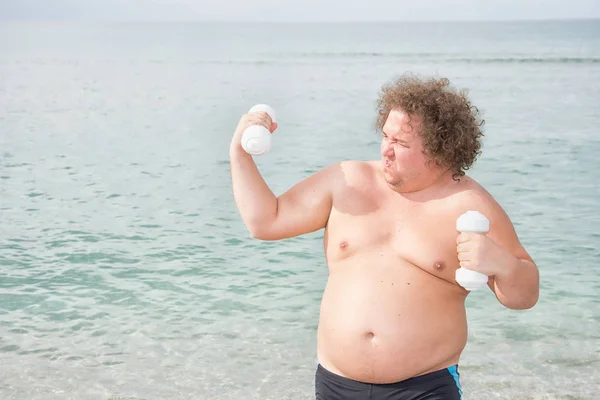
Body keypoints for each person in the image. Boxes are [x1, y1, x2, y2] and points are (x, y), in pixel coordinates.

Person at [229, 74, 540, 400]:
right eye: (385, 136)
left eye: (401, 144)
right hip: (336, 385)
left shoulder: (470, 205)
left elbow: (524, 296)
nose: (386, 150)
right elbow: (266, 221)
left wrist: (501, 264)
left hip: (424, 388)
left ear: (440, 149)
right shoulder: (346, 180)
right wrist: (240, 154)